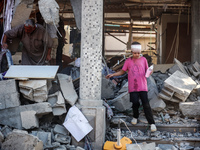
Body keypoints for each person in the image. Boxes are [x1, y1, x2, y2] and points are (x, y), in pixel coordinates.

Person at [106, 41, 157, 132]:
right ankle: (135, 117)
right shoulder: (128, 61)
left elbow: (147, 70)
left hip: (142, 86)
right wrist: (113, 75)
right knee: (135, 103)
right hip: (133, 86)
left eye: (138, 53)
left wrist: (150, 71)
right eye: (135, 53)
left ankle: (152, 123)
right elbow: (122, 71)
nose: (137, 55)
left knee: (146, 104)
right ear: (132, 52)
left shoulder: (144, 60)